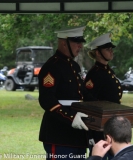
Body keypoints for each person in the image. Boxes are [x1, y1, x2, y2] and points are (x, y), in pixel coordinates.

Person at [38, 26, 92, 160]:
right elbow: (47, 99)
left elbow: (82, 95)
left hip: (78, 134)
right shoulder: (52, 66)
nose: (80, 46)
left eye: (81, 42)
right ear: (64, 43)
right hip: (59, 133)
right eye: (76, 42)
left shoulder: (75, 66)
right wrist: (71, 117)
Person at [84, 33, 123, 159]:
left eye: (111, 48)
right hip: (100, 129)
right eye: (107, 49)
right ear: (98, 52)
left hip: (110, 125)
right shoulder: (94, 74)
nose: (111, 51)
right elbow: (89, 101)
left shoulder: (107, 70)